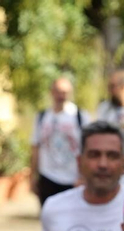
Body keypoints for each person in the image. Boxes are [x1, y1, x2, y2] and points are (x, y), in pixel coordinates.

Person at [33, 76, 89, 207]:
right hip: (47, 176)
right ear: (52, 92)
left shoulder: (79, 116)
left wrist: (84, 176)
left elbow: (88, 148)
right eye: (58, 91)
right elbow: (35, 146)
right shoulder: (42, 117)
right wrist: (33, 176)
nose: (61, 95)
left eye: (65, 92)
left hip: (72, 178)